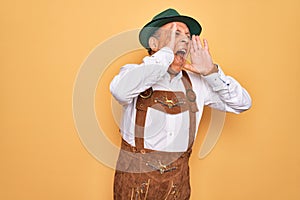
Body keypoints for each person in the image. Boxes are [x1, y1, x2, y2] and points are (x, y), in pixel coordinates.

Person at [110, 8, 251, 200]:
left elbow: (242, 104)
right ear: (154, 43)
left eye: (186, 36)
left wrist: (211, 72)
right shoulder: (134, 73)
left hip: (178, 187)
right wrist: (165, 53)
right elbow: (120, 91)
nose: (184, 40)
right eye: (174, 34)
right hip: (133, 187)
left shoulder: (197, 83)